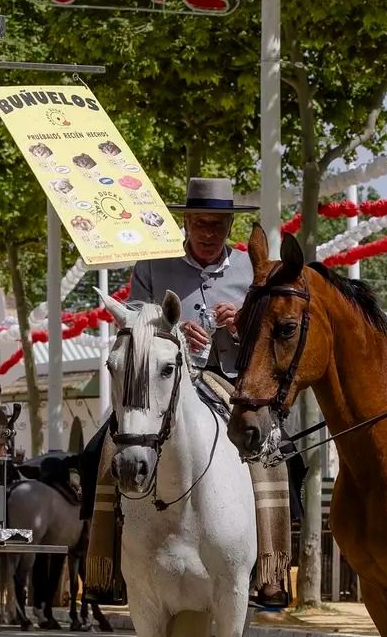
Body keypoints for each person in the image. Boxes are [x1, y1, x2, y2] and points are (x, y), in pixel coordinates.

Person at [79, 177, 293, 606]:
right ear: (186, 224)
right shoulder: (153, 266)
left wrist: (241, 323)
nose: (209, 233)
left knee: (281, 458)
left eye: (218, 224)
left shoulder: (251, 270)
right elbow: (135, 322)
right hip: (162, 384)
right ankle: (103, 567)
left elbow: (271, 330)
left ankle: (270, 573)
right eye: (201, 223)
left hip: (231, 383)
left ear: (229, 225)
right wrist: (170, 329)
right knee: (98, 452)